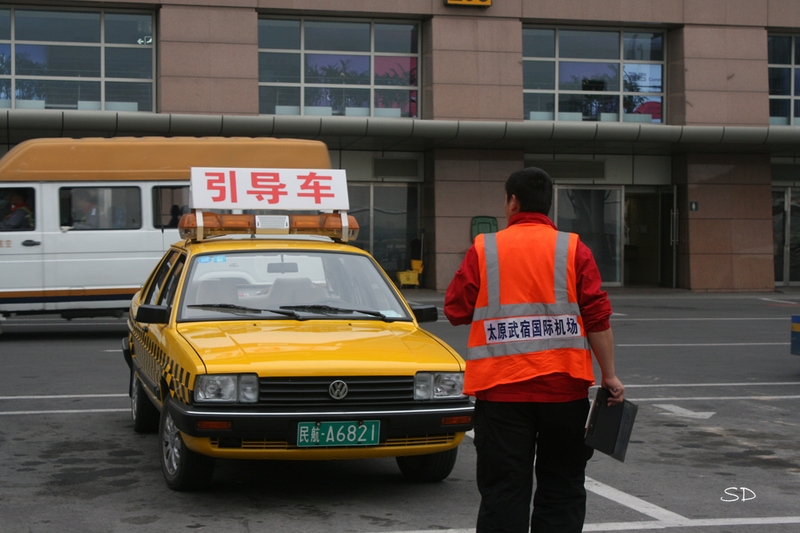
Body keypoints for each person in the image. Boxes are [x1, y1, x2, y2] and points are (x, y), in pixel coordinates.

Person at [444, 167, 624, 533]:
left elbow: (455, 311)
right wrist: (610, 376)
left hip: (501, 394)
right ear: (549, 203)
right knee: (562, 489)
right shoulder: (574, 248)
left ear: (513, 201)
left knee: (504, 493)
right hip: (564, 393)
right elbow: (597, 317)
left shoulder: (485, 247)